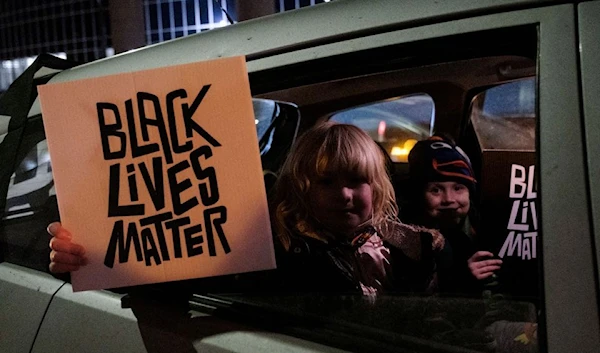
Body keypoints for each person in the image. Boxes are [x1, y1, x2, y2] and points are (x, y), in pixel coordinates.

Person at [48, 122, 444, 297]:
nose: (345, 196)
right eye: (327, 182)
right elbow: (180, 271)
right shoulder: (277, 252)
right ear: (302, 189)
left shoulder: (400, 243)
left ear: (376, 187)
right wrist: (93, 255)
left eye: (356, 182)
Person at [403, 135, 503, 297]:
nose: (449, 199)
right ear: (419, 195)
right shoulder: (408, 240)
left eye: (458, 188)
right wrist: (462, 280)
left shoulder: (486, 225)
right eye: (436, 190)